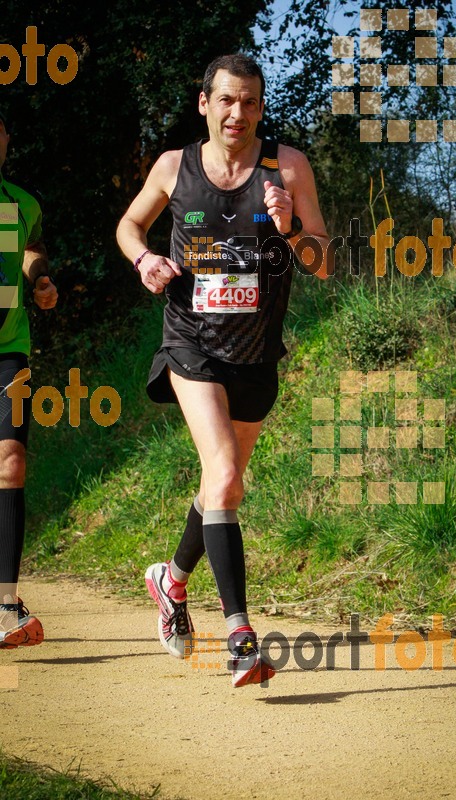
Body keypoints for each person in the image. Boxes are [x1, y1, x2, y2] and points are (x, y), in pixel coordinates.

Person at [116, 53, 330, 687]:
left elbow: (321, 262)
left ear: (262, 107)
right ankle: (240, 635)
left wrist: (292, 229)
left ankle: (170, 580)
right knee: (225, 472)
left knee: (223, 487)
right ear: (205, 103)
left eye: (253, 102)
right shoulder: (173, 167)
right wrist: (144, 261)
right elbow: (130, 225)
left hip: (258, 352)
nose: (240, 114)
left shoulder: (286, 167)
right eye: (228, 101)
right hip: (192, 342)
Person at [0, 109, 58, 648]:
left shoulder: (22, 203)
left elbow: (32, 246)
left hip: (8, 350)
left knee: (11, 462)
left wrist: (39, 278)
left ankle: (4, 602)